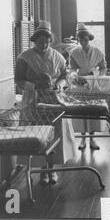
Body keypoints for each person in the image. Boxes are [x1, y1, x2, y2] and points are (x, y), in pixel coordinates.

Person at [15, 20, 76, 185]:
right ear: (35, 40)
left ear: (51, 40)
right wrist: (35, 86)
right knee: (36, 136)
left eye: (47, 41)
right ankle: (40, 170)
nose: (44, 44)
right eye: (41, 41)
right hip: (32, 101)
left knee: (54, 135)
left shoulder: (57, 57)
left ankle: (50, 169)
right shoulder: (24, 58)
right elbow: (19, 81)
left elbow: (65, 76)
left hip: (53, 99)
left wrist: (58, 85)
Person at [70, 23, 107, 151]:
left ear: (89, 39)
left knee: (92, 111)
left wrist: (95, 74)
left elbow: (103, 68)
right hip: (80, 83)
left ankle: (92, 139)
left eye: (85, 39)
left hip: (94, 83)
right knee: (81, 111)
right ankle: (82, 139)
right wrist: (75, 76)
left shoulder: (97, 52)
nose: (83, 42)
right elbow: (73, 68)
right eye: (80, 40)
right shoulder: (74, 53)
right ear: (78, 40)